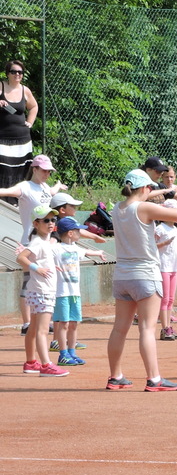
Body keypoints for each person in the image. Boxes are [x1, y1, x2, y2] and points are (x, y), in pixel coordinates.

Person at [105, 169, 177, 392]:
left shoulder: (117, 208)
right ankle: (154, 379)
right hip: (145, 275)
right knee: (147, 329)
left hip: (122, 275)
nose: (151, 190)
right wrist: (176, 200)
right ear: (143, 188)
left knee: (119, 329)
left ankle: (115, 377)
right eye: (150, 187)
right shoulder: (144, 208)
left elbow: (138, 199)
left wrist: (156, 194)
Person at [0, 154, 68, 333]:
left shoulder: (45, 187)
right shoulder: (25, 187)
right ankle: (27, 324)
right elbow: (6, 191)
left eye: (49, 171)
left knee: (44, 282)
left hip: (45, 242)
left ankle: (41, 321)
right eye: (44, 170)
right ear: (34, 169)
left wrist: (58, 186)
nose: (47, 174)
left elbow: (51, 193)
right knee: (28, 282)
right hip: (30, 241)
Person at [17, 205, 68, 376]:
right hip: (42, 292)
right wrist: (36, 268)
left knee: (33, 328)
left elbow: (41, 260)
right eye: (46, 220)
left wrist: (50, 267)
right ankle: (46, 365)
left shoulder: (44, 242)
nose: (51, 223)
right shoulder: (37, 242)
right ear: (36, 223)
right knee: (42, 330)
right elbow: (21, 257)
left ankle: (31, 362)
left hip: (38, 290)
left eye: (53, 220)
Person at [52, 217, 107, 366]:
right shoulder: (56, 248)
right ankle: (63, 354)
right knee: (63, 324)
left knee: (74, 324)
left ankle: (72, 352)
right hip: (61, 293)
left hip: (75, 293)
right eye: (78, 231)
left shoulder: (75, 248)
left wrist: (98, 252)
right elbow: (41, 257)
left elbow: (86, 252)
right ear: (70, 233)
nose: (80, 233)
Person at [0, 60, 38, 194]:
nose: (17, 74)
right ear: (7, 73)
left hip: (22, 140)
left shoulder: (25, 90)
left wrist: (30, 122)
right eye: (13, 72)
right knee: (4, 169)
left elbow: (34, 106)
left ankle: (17, 200)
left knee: (21, 170)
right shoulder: (1, 86)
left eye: (20, 72)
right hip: (3, 138)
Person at [155, 201, 177, 341]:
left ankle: (168, 327)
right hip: (163, 267)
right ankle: (164, 328)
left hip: (173, 267)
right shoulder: (160, 229)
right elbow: (151, 246)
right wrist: (164, 243)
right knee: (165, 299)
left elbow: (172, 248)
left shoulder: (174, 229)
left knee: (171, 299)